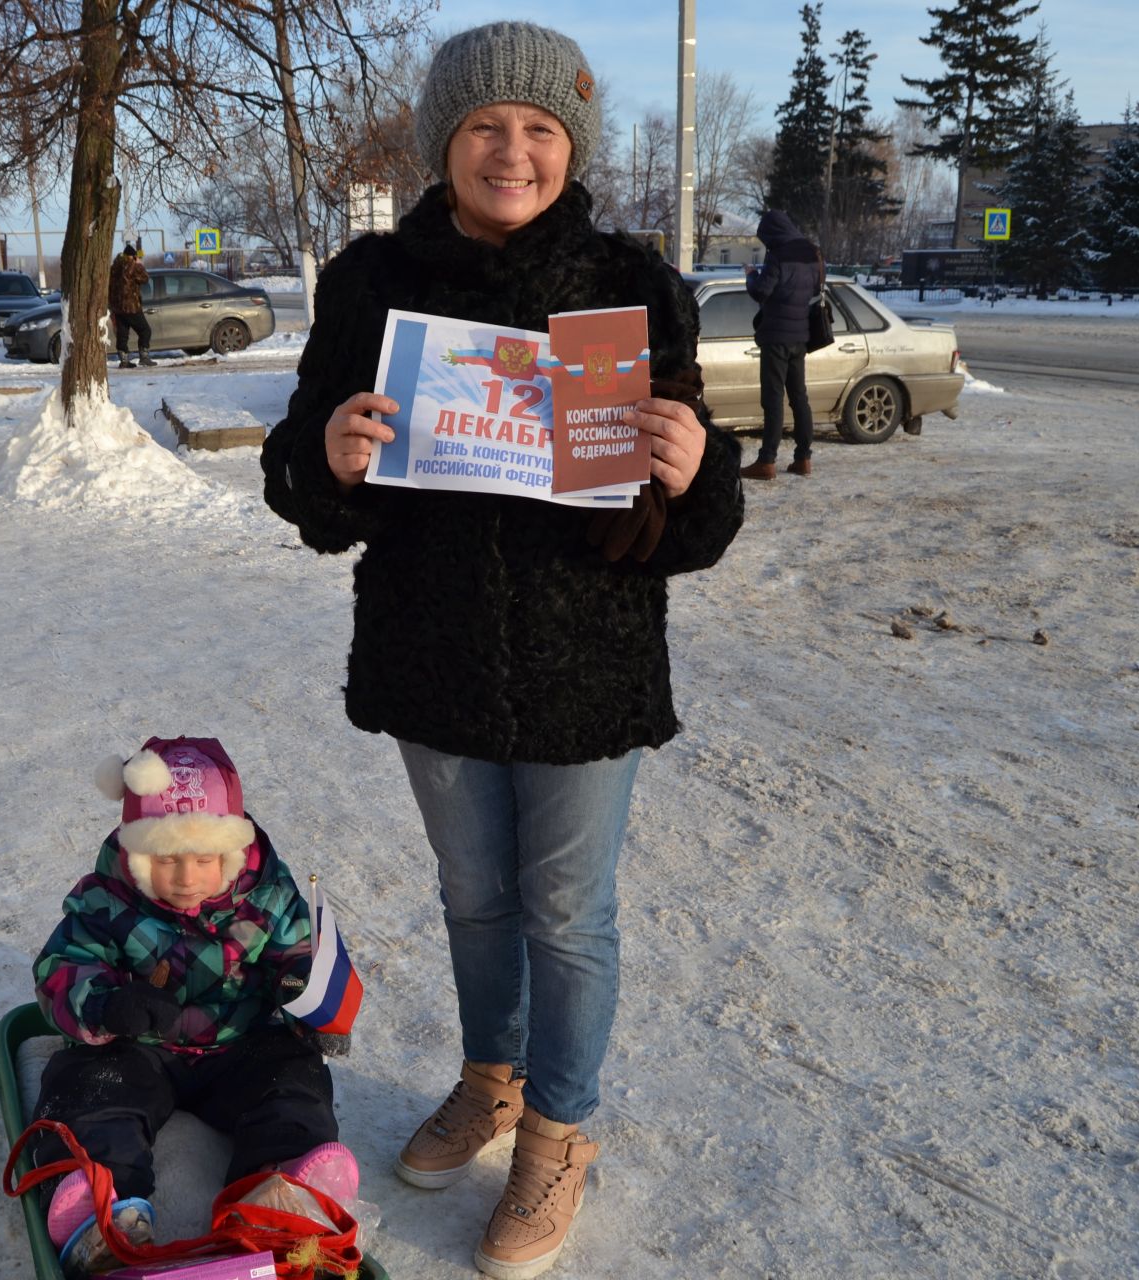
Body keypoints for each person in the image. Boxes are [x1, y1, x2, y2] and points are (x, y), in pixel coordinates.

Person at [259, 21, 744, 1280]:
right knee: (474, 898)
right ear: (444, 143)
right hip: (436, 652)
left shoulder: (629, 278)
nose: (511, 150)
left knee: (569, 914)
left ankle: (561, 1131)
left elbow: (692, 518)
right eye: (484, 126)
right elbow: (303, 483)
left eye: (537, 127)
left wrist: (694, 474)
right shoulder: (371, 284)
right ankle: (492, 1080)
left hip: (589, 662)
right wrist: (330, 456)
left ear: (569, 144)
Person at [30, 736, 359, 1276]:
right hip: (136, 1047)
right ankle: (104, 1211)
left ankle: (283, 1191)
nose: (185, 877)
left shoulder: (268, 896)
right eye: (165, 859)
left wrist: (305, 994)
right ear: (135, 854)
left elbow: (298, 952)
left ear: (230, 853)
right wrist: (108, 1007)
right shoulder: (105, 899)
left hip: (241, 1041)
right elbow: (61, 967)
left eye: (204, 859)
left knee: (292, 1085)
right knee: (90, 1090)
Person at [741, 210, 823, 479]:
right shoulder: (811, 252)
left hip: (776, 337)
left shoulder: (778, 254)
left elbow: (761, 291)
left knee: (773, 399)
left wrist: (752, 275)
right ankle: (803, 458)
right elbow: (814, 289)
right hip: (800, 335)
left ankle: (767, 461)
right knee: (800, 397)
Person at [108, 242, 155, 368]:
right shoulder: (133, 267)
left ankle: (124, 360)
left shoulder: (114, 267)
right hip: (131, 306)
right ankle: (144, 357)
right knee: (145, 330)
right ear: (132, 257)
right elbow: (145, 279)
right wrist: (139, 264)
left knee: (122, 334)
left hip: (117, 307)